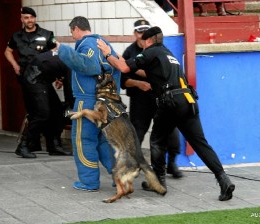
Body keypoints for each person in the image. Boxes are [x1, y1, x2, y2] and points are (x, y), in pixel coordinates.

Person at [97, 26, 235, 201]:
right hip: (188, 100)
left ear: (148, 41)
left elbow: (124, 68)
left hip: (170, 102)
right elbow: (147, 72)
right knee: (200, 143)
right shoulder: (167, 54)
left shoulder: (149, 52)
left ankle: (158, 182)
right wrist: (122, 60)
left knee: (157, 139)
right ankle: (223, 179)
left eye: (143, 41)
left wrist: (108, 54)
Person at [55, 16, 121, 191]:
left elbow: (87, 65)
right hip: (106, 100)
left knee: (83, 141)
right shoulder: (105, 44)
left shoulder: (87, 44)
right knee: (103, 141)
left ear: (76, 28)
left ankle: (88, 181)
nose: (73, 36)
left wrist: (62, 49)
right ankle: (119, 176)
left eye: (72, 32)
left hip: (88, 100)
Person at [4, 6, 71, 158]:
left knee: (54, 110)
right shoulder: (16, 36)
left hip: (44, 78)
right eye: (26, 18)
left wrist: (59, 77)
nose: (29, 20)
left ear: (35, 18)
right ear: (21, 19)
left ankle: (53, 145)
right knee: (40, 112)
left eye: (31, 17)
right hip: (28, 80)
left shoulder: (47, 35)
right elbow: (7, 51)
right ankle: (27, 144)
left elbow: (56, 52)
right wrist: (15, 65)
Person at [121, 19, 183, 178]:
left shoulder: (160, 49)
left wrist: (143, 72)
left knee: (171, 132)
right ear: (135, 34)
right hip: (140, 100)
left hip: (161, 97)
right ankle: (133, 166)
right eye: (140, 32)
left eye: (146, 32)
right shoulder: (129, 52)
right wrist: (138, 83)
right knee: (137, 133)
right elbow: (122, 79)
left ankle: (172, 163)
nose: (143, 36)